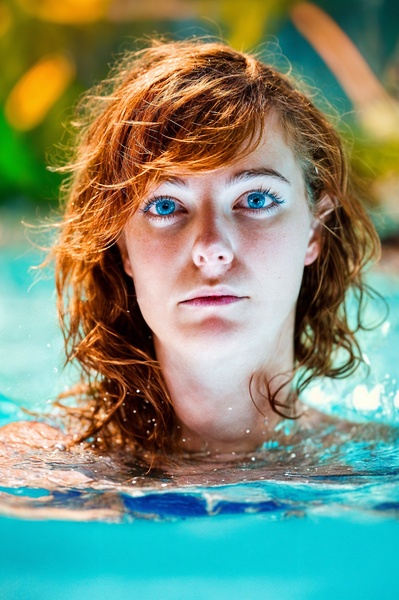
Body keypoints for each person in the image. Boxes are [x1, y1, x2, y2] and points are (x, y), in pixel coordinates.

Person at [1, 39, 380, 462]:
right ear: (122, 244)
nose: (211, 247)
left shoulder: (380, 471)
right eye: (165, 206)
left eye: (255, 199)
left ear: (314, 230)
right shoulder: (36, 466)